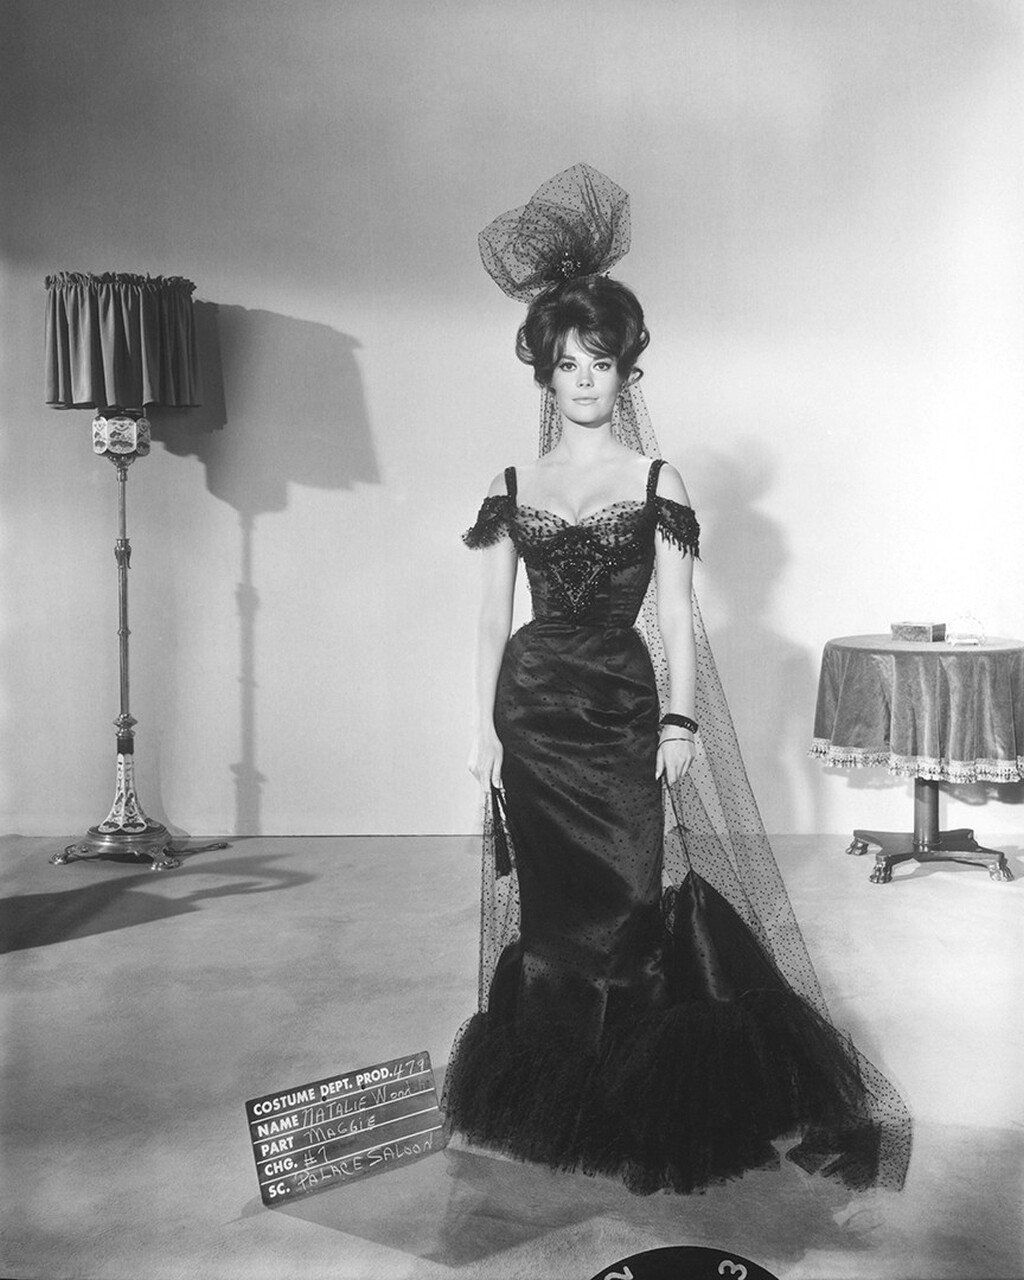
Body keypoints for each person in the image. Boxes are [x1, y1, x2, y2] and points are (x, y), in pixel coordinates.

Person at [443, 164, 910, 1196]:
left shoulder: (657, 481)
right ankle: (566, 1084)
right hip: (532, 715)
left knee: (631, 904)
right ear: (544, 375)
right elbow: (487, 620)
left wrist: (679, 721)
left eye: (601, 363)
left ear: (626, 372)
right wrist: (483, 735)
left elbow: (678, 616)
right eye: (567, 364)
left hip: (620, 708)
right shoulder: (510, 485)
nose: (584, 381)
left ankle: (644, 1083)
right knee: (552, 915)